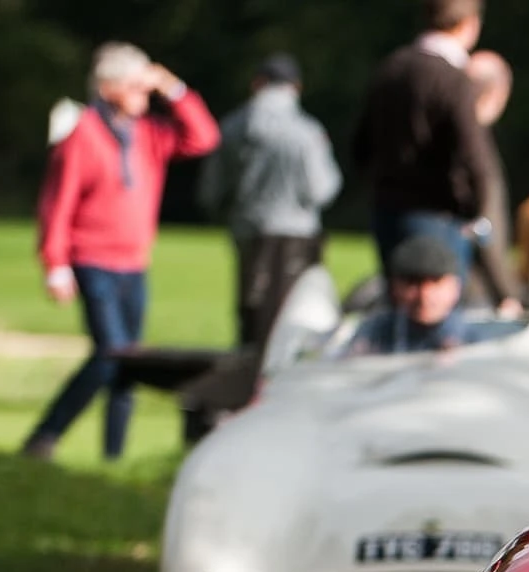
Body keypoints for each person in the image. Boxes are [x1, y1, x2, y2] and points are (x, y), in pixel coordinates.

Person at [24, 43, 218, 461]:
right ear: (110, 88)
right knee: (111, 354)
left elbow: (203, 137)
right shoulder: (82, 134)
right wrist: (55, 263)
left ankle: (113, 454)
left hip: (134, 263)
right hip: (92, 259)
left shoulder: (148, 133)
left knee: (129, 363)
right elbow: (57, 202)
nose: (144, 96)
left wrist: (172, 86)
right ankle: (45, 436)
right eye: (136, 87)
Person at [351, 0, 504, 290]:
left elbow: (361, 146)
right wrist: (480, 214)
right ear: (470, 24)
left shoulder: (390, 68)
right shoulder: (453, 78)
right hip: (438, 217)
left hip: (387, 212)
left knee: (399, 309)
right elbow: (474, 156)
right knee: (436, 316)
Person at [201, 52, 341, 349]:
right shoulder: (307, 131)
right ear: (296, 87)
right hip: (297, 236)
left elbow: (212, 189)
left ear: (257, 83)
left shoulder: (232, 126)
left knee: (252, 312)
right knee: (293, 314)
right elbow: (321, 190)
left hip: (248, 231)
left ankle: (247, 379)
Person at [463, 50, 526, 314]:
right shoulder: (475, 145)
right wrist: (506, 293)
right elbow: (484, 227)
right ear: (499, 93)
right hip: (474, 290)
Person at [348, 233, 476, 354]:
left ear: (455, 286)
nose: (424, 295)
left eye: (435, 282)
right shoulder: (377, 332)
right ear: (394, 287)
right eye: (413, 283)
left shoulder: (473, 334)